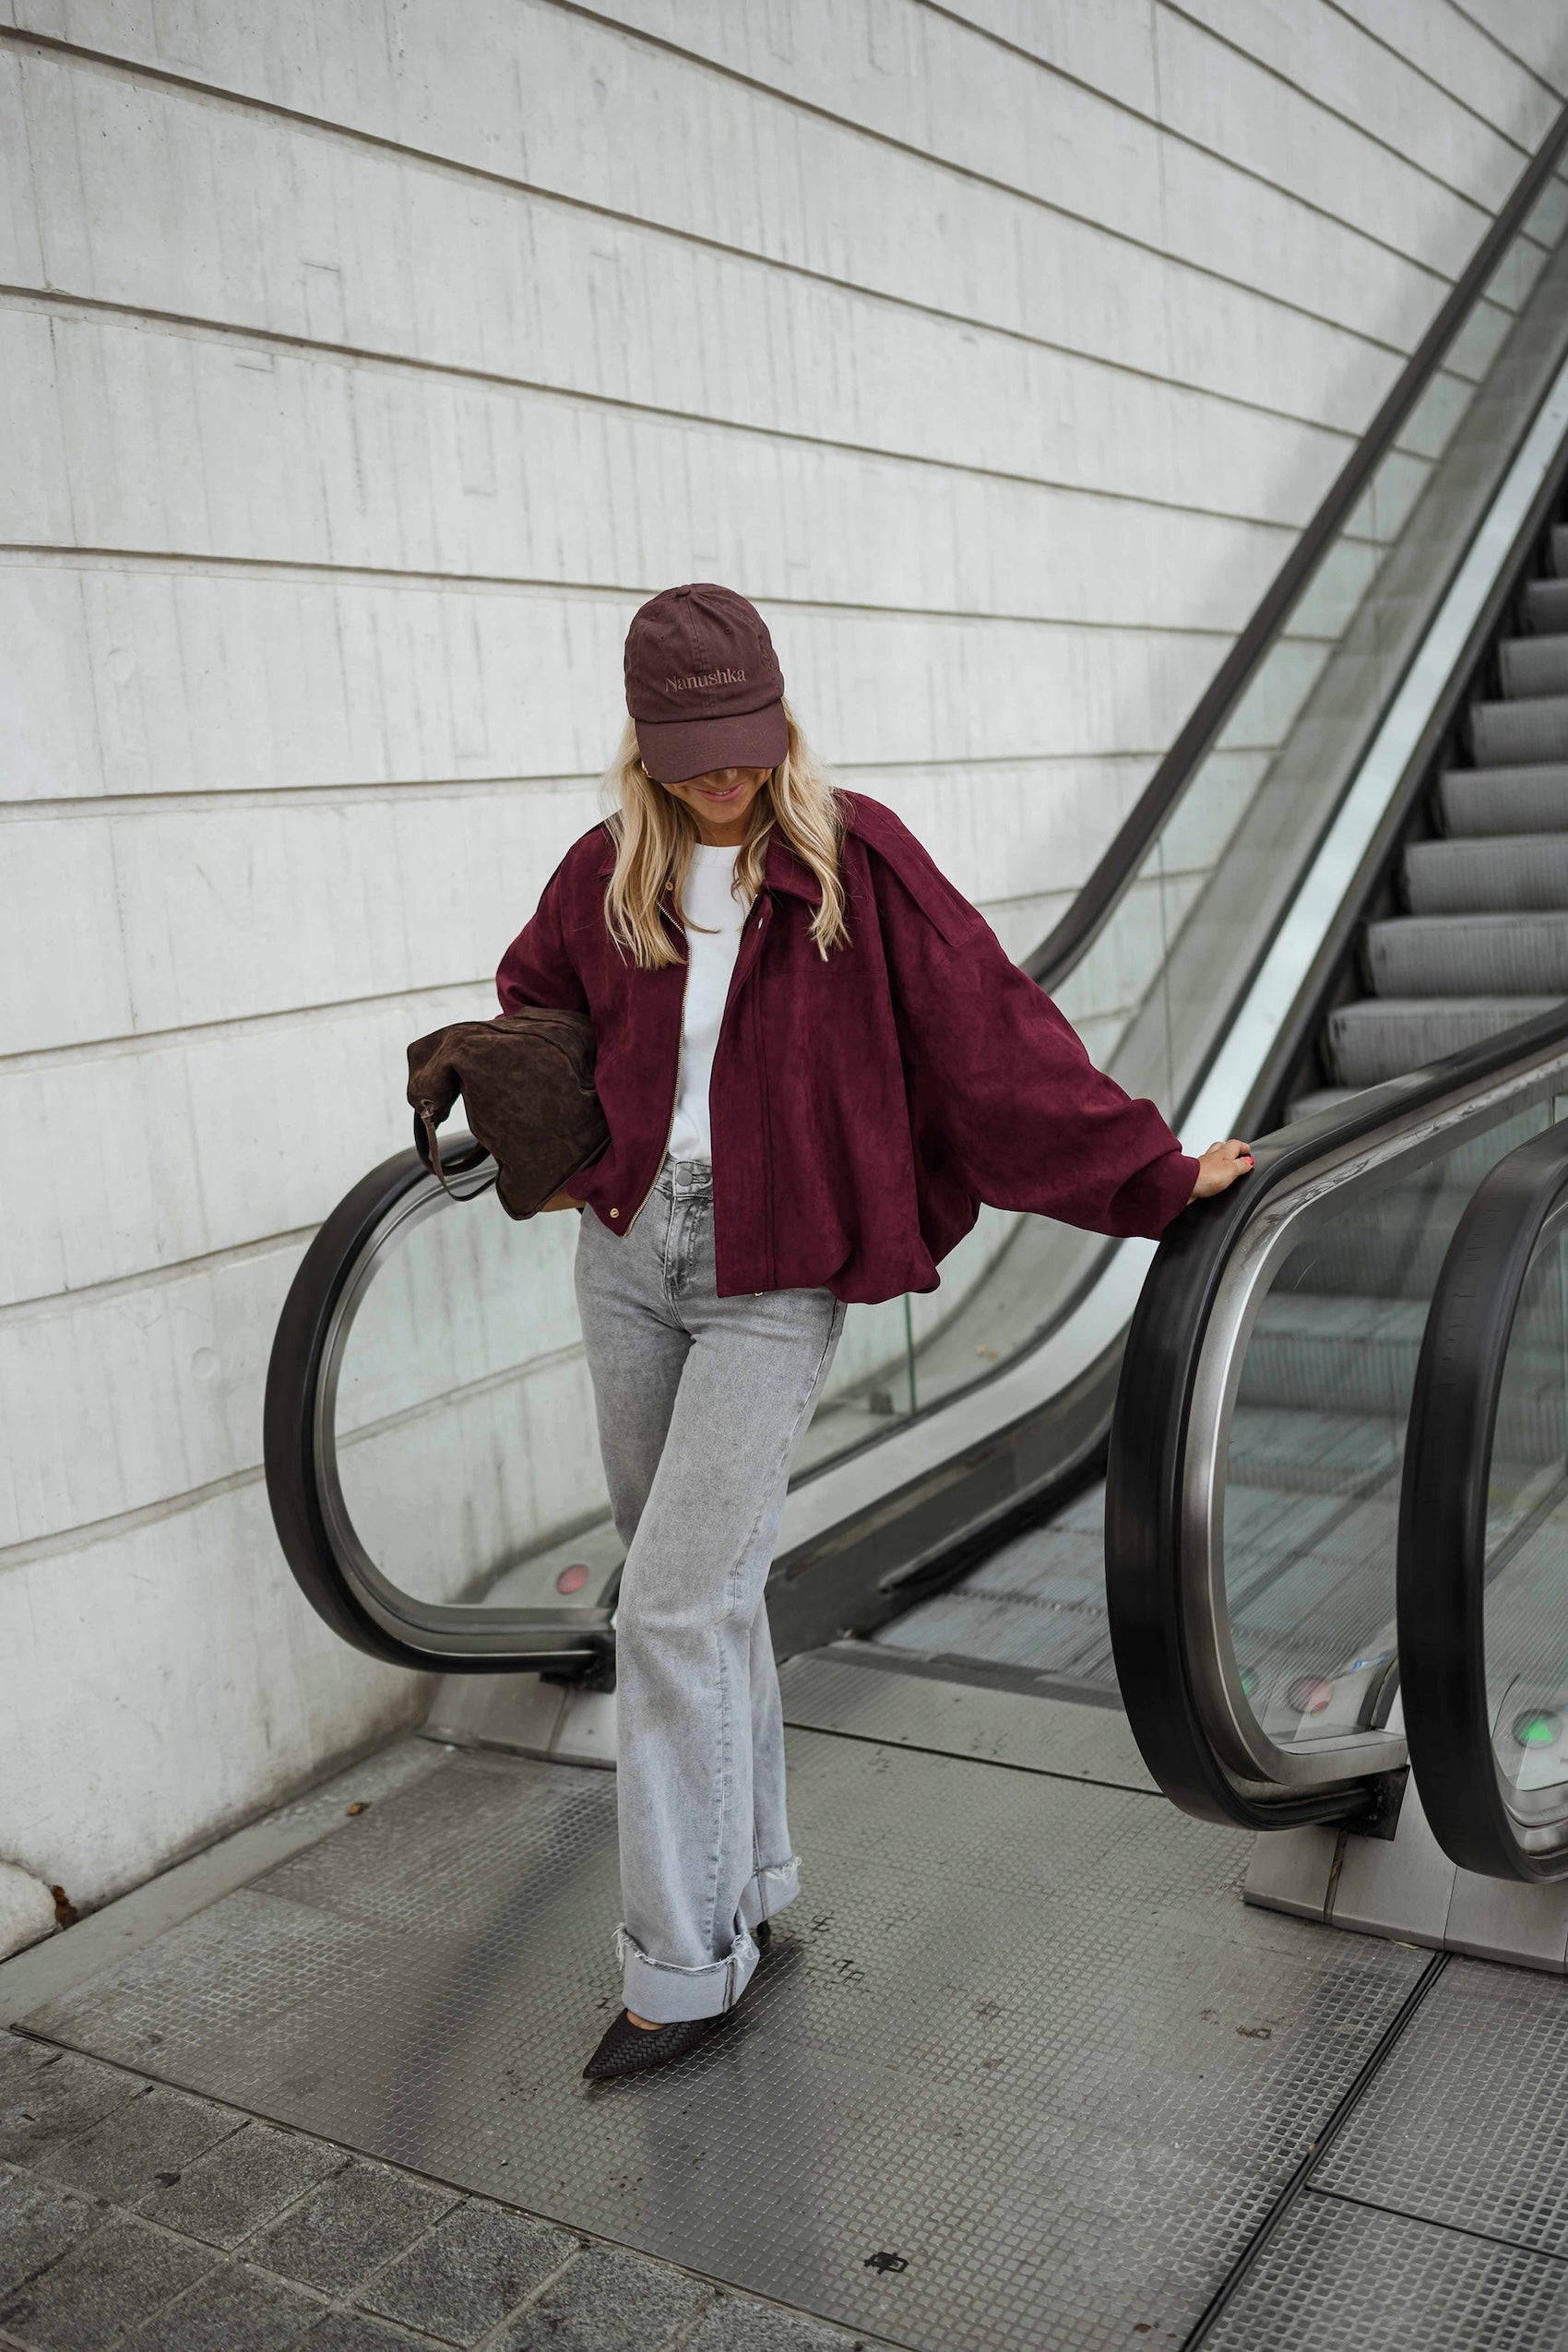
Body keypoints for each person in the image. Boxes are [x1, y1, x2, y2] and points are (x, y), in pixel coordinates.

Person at [496, 583, 1252, 2082]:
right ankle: (752, 1882)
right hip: (628, 1256)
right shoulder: (605, 873)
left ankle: (680, 1969)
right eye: (693, 747)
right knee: (697, 1594)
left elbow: (994, 1039)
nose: (725, 771)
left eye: (744, 738)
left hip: (776, 1276)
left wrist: (1154, 1179)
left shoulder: (856, 859)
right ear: (645, 744)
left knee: (669, 1607)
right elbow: (539, 1004)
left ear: (779, 718)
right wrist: (545, 1118)